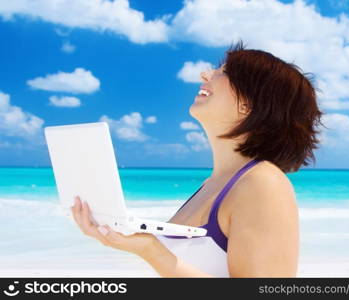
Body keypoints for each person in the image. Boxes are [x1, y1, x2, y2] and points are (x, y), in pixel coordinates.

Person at [71, 39, 324, 277]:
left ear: (248, 103)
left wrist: (151, 251)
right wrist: (120, 234)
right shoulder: (211, 185)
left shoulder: (264, 183)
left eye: (224, 72)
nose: (205, 74)